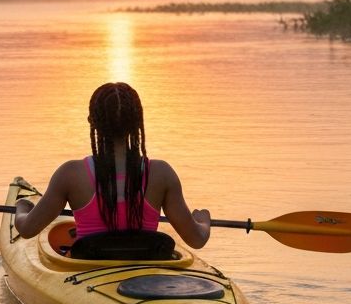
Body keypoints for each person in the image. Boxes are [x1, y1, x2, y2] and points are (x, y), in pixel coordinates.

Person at [13, 82, 211, 249]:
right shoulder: (162, 174)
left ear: (92, 122)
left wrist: (22, 208)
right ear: (137, 123)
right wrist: (203, 220)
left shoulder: (70, 175)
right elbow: (197, 239)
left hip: (89, 271)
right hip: (146, 275)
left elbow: (28, 229)